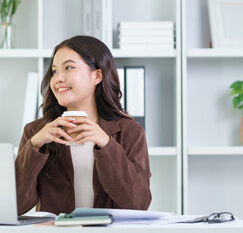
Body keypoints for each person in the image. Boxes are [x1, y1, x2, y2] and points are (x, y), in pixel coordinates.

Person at [15, 35, 151, 215]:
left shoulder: (130, 131)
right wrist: (34, 146)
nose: (58, 79)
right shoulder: (35, 132)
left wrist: (106, 144)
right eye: (54, 71)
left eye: (69, 68)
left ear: (97, 75)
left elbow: (138, 203)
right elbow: (16, 205)